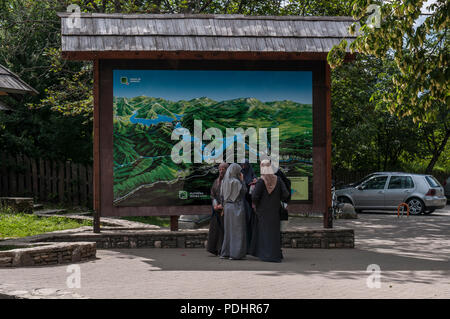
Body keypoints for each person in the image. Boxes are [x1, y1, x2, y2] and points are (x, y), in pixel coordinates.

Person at [250, 159, 290, 263]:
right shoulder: (278, 179)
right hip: (275, 211)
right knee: (274, 233)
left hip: (262, 212)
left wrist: (257, 205)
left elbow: (254, 196)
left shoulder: (261, 181)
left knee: (264, 233)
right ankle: (275, 255)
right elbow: (285, 194)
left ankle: (266, 255)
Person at [220, 163, 248, 260]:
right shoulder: (236, 182)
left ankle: (226, 252)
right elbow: (244, 191)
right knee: (237, 231)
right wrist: (242, 180)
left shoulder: (224, 181)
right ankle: (235, 254)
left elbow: (222, 196)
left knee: (228, 231)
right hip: (237, 207)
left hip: (227, 207)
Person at [206, 162, 229, 256]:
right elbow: (213, 195)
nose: (221, 171)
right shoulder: (216, 181)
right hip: (216, 210)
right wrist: (215, 205)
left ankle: (221, 249)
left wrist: (222, 205)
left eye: (223, 169)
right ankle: (213, 249)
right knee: (215, 229)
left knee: (223, 230)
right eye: (220, 169)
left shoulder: (230, 182)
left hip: (225, 209)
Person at [240, 159, 257, 252]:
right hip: (242, 203)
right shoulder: (240, 174)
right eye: (242, 165)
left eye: (244, 165)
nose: (243, 167)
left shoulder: (253, 174)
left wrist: (254, 183)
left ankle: (250, 247)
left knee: (250, 225)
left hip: (250, 204)